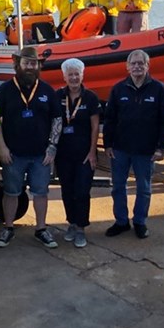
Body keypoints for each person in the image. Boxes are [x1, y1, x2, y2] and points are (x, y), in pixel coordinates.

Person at [0, 46, 62, 249]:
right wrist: (2, 148)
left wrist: (52, 147)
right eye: (26, 63)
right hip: (13, 155)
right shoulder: (5, 90)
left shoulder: (47, 90)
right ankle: (8, 228)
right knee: (11, 192)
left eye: (34, 63)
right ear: (18, 64)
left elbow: (57, 119)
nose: (30, 67)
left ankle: (41, 229)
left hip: (41, 156)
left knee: (41, 192)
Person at [103, 50, 164, 239]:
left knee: (144, 188)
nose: (137, 67)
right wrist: (107, 144)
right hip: (120, 148)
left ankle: (140, 222)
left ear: (147, 66)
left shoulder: (160, 89)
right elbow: (109, 119)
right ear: (127, 67)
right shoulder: (118, 90)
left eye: (141, 63)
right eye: (133, 63)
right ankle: (121, 221)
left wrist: (162, 147)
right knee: (118, 187)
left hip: (146, 150)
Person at [54, 58, 101, 248]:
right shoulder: (58, 96)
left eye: (77, 74)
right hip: (63, 154)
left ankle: (81, 228)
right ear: (64, 77)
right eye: (70, 74)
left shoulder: (90, 98)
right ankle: (71, 223)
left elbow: (95, 126)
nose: (73, 78)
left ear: (82, 75)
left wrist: (92, 152)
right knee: (67, 190)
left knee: (82, 191)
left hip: (84, 154)